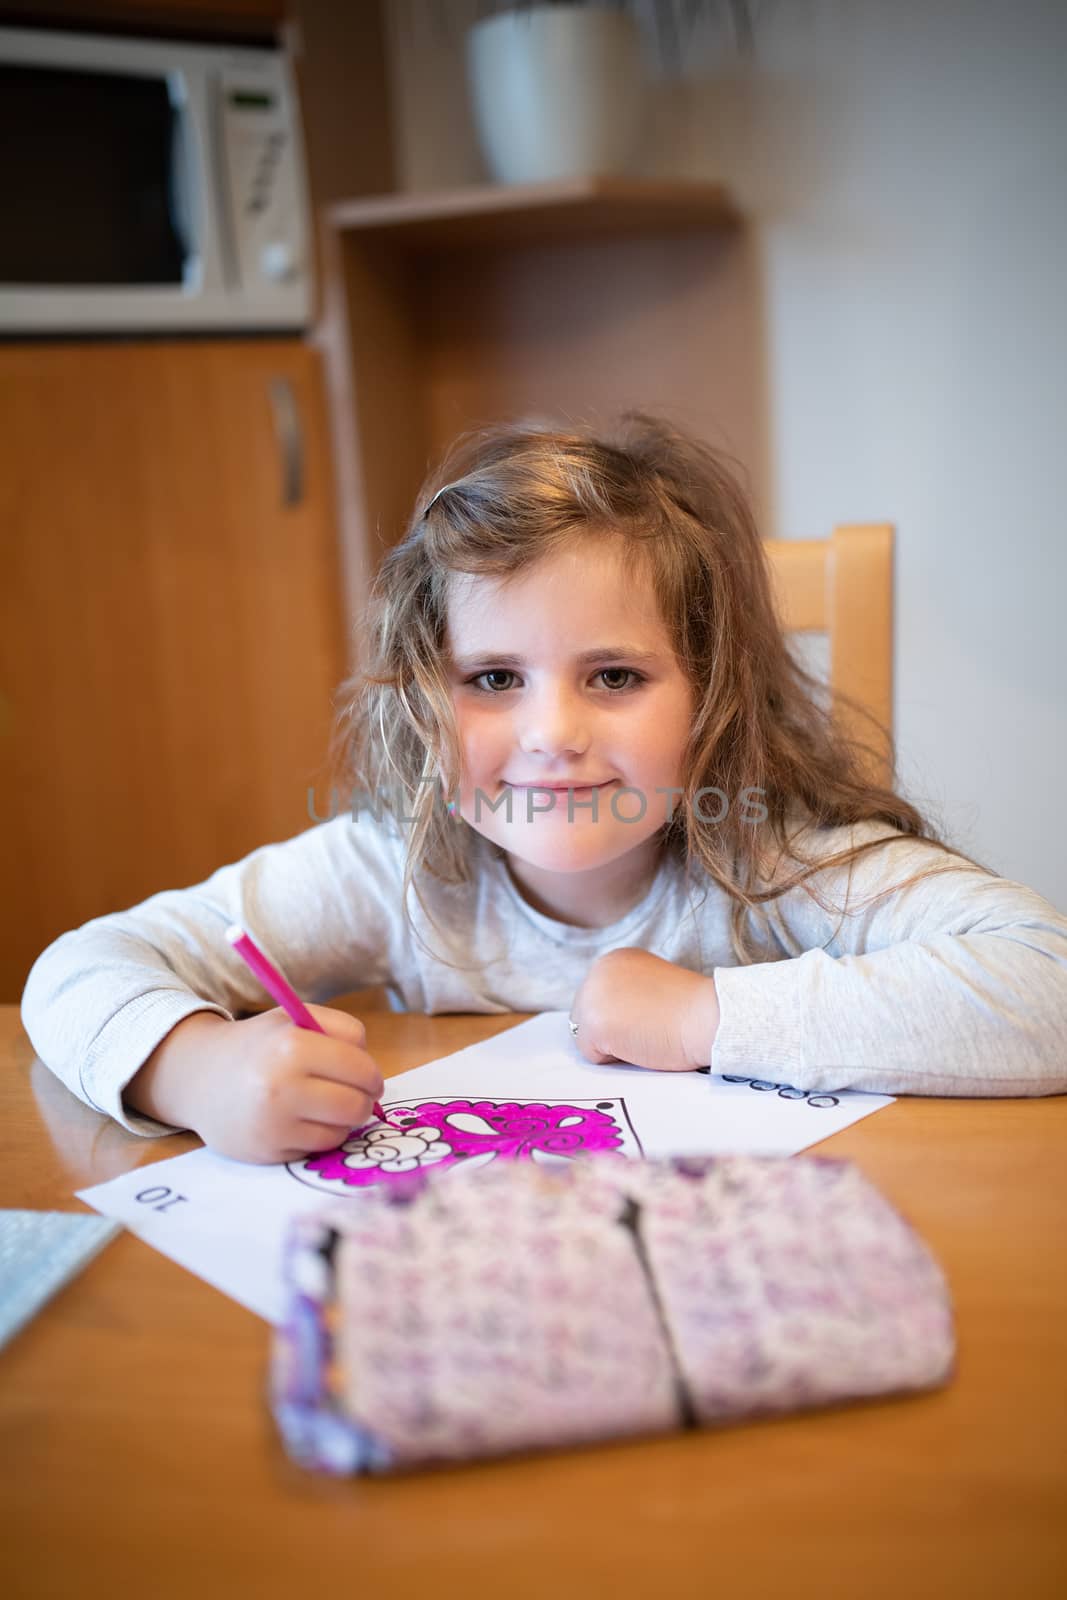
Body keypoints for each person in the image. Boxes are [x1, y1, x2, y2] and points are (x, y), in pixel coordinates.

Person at [21, 415, 1067, 1164]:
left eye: (612, 676)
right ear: (423, 702)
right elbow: (77, 971)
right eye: (490, 680)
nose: (551, 735)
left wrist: (707, 1016)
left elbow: (1044, 985)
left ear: (711, 696)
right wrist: (192, 1074)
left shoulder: (768, 858)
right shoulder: (394, 866)